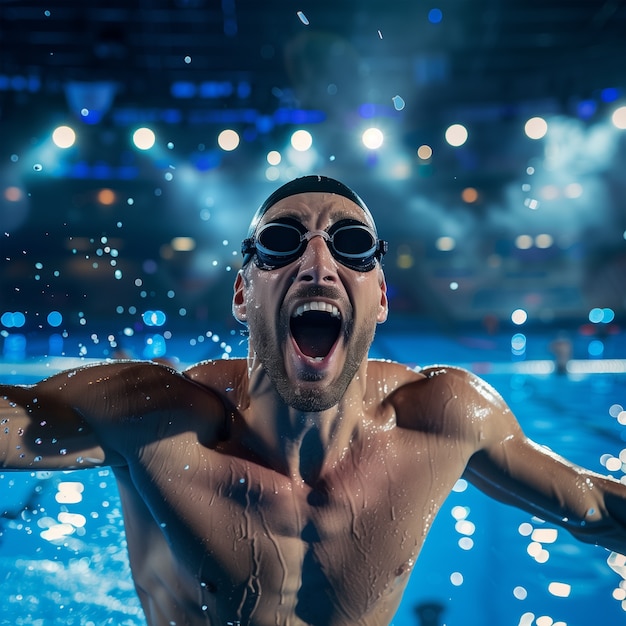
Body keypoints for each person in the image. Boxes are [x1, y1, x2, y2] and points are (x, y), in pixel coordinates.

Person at [1, 175, 626, 626]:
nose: (318, 263)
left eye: (350, 244)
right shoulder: (153, 420)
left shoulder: (443, 419)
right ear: (244, 295)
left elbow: (596, 504)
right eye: (282, 241)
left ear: (380, 297)